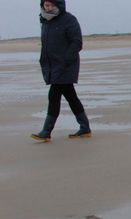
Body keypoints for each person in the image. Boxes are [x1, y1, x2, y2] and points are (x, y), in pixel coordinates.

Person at [31, 0, 91, 142]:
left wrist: (66, 60)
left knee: (54, 95)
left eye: (51, 5)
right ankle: (85, 128)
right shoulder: (45, 20)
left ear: (58, 5)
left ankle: (46, 131)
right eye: (46, 5)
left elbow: (77, 42)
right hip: (52, 66)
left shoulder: (69, 20)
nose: (49, 8)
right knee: (71, 96)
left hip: (66, 65)